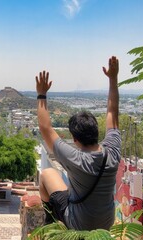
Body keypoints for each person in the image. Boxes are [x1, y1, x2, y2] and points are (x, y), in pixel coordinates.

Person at [35, 56, 121, 231]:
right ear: (96, 132)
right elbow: (113, 112)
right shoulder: (112, 150)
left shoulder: (75, 158)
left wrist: (41, 94)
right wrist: (113, 78)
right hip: (106, 223)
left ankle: (49, 220)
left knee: (46, 174)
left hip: (78, 223)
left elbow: (45, 128)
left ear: (75, 139)